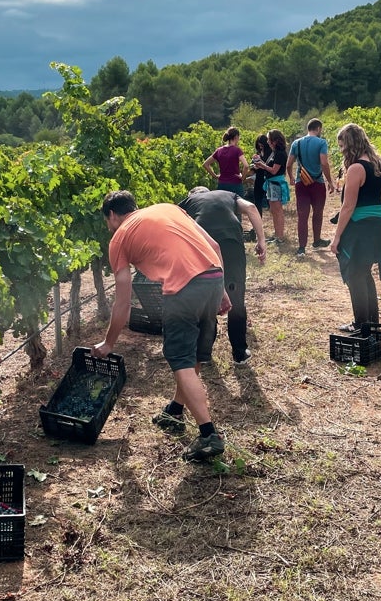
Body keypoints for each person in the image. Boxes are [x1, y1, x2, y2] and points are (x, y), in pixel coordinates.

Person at [92, 190, 231, 463]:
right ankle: (175, 412)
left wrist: (109, 343)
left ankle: (208, 434)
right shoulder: (169, 208)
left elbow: (123, 303)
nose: (109, 227)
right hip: (214, 277)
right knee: (191, 355)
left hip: (184, 288)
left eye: (107, 221)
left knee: (180, 359)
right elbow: (213, 246)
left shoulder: (119, 238)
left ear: (111, 215)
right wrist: (222, 291)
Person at [178, 187, 267, 365]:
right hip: (232, 245)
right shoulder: (228, 195)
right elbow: (251, 208)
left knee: (204, 297)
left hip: (204, 248)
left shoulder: (188, 203)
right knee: (235, 297)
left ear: (193, 195)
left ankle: (203, 352)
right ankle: (239, 353)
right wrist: (261, 240)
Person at [329, 123, 381, 331]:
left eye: (341, 146)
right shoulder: (379, 164)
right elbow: (379, 197)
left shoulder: (356, 168)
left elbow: (348, 206)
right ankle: (372, 323)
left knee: (355, 275)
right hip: (379, 223)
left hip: (360, 226)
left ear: (350, 145)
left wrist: (336, 238)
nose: (340, 150)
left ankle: (361, 325)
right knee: (364, 273)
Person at [287, 118, 335, 258]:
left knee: (302, 215)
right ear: (318, 128)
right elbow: (324, 163)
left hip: (301, 182)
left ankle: (302, 247)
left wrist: (291, 177)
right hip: (317, 182)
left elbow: (289, 164)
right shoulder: (321, 143)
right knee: (318, 212)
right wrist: (330, 181)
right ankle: (317, 240)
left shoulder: (297, 143)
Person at [254, 129, 290, 245]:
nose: (268, 142)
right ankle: (277, 235)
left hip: (276, 184)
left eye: (269, 140)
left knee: (277, 210)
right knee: (274, 210)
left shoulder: (280, 153)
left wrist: (262, 165)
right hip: (271, 183)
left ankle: (280, 236)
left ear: (275, 141)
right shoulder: (275, 152)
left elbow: (274, 171)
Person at [203, 127, 252, 197]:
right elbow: (246, 166)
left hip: (222, 184)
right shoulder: (237, 150)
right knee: (239, 206)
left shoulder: (219, 150)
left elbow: (205, 164)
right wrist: (242, 178)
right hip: (235, 184)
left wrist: (215, 176)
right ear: (236, 137)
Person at [250, 134, 271, 219]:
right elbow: (253, 167)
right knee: (257, 200)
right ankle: (258, 219)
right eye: (258, 145)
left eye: (261, 144)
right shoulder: (258, 153)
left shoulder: (270, 153)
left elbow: (270, 166)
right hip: (259, 178)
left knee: (270, 201)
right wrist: (253, 165)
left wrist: (261, 162)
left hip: (267, 178)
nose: (260, 146)